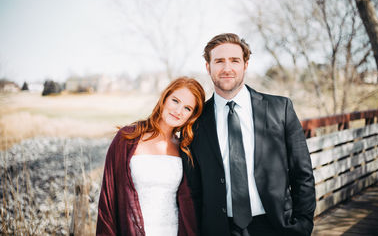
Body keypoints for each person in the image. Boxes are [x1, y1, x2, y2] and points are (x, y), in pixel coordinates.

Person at [187, 33, 316, 236]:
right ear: (208, 66)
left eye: (234, 61)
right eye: (219, 61)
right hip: (219, 229)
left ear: (245, 65)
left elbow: (303, 173)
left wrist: (303, 224)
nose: (227, 68)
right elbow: (194, 188)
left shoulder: (279, 109)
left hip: (276, 227)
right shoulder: (195, 121)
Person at [96, 77, 205, 236]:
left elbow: (191, 203)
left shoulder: (186, 149)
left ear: (192, 115)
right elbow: (108, 199)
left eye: (187, 108)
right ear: (164, 98)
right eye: (175, 101)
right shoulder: (127, 138)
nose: (178, 111)